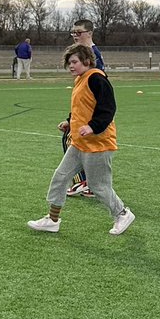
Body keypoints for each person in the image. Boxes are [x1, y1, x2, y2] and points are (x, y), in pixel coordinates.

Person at [28, 43, 134, 237]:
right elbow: (81, 107)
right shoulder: (80, 80)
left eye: (74, 62)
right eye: (69, 62)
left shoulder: (96, 78)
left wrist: (93, 126)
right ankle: (52, 220)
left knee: (98, 186)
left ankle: (122, 214)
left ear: (86, 61)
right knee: (60, 177)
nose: (71, 65)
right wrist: (69, 122)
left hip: (99, 144)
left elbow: (108, 108)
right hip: (79, 143)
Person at [65, 20, 106, 197]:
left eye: (79, 32)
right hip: (81, 111)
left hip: (89, 113)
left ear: (89, 33)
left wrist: (92, 119)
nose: (75, 35)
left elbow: (99, 87)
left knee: (77, 144)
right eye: (73, 32)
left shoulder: (93, 55)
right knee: (73, 142)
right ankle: (86, 182)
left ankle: (88, 183)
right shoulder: (81, 53)